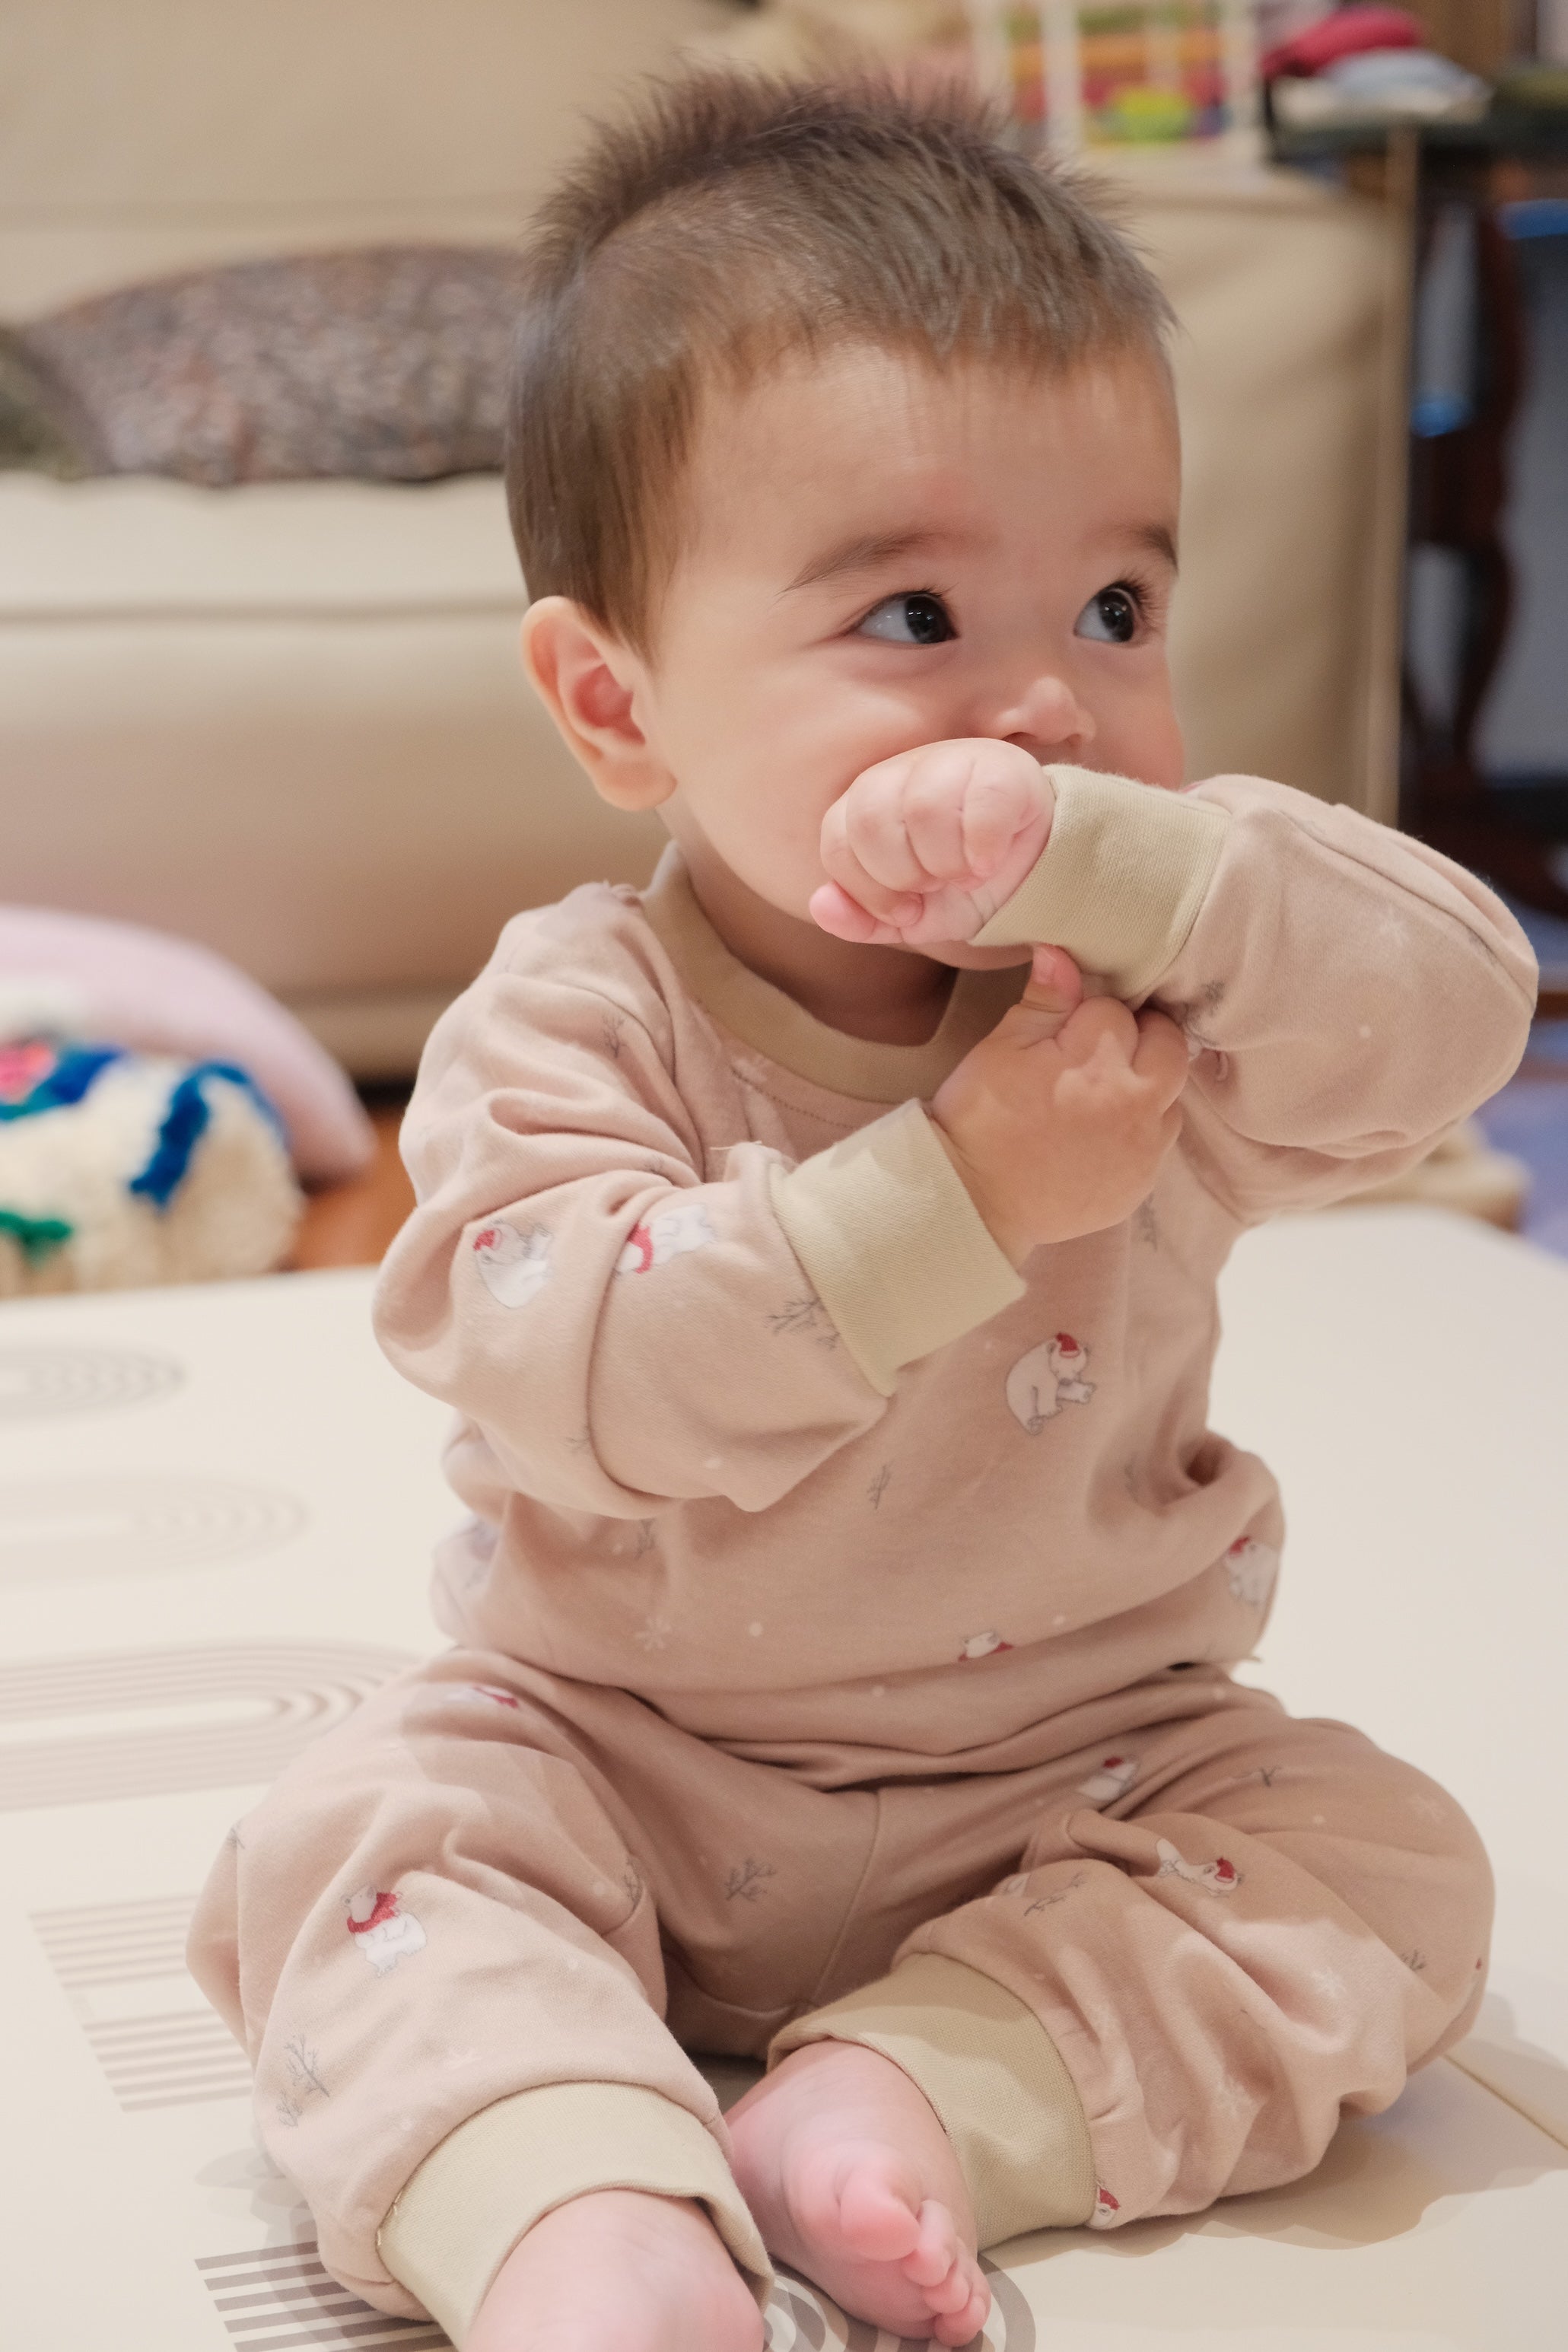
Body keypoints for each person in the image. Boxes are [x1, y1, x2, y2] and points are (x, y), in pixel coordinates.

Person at [189, 72, 1536, 2352]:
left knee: (1398, 1868)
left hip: (1088, 1776)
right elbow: (585, 1372)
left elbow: (1455, 1019)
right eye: (914, 611)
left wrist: (1168, 876)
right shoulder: (573, 1014)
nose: (1051, 708)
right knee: (358, 1845)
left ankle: (916, 2093)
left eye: (1117, 602)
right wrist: (967, 1190)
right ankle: (576, 2204)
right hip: (622, 1761)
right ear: (615, 703)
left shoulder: (1152, 993)